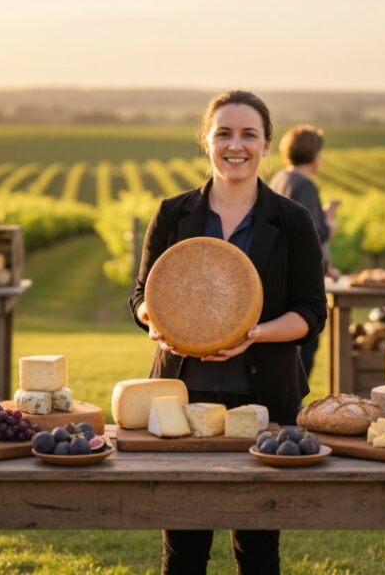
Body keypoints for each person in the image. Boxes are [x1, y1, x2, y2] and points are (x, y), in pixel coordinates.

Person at [129, 90, 326, 575]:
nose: (235, 145)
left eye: (248, 135)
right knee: (183, 551)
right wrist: (157, 322)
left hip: (265, 401)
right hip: (182, 396)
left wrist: (254, 333)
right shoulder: (172, 213)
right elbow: (140, 297)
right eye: (224, 134)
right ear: (206, 141)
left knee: (257, 552)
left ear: (266, 144)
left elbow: (311, 313)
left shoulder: (292, 220)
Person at [269, 124, 339, 379]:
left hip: (279, 280)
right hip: (298, 286)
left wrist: (327, 267)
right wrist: (328, 226)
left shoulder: (280, 179)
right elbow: (309, 235)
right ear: (313, 154)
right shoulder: (305, 186)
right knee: (303, 353)